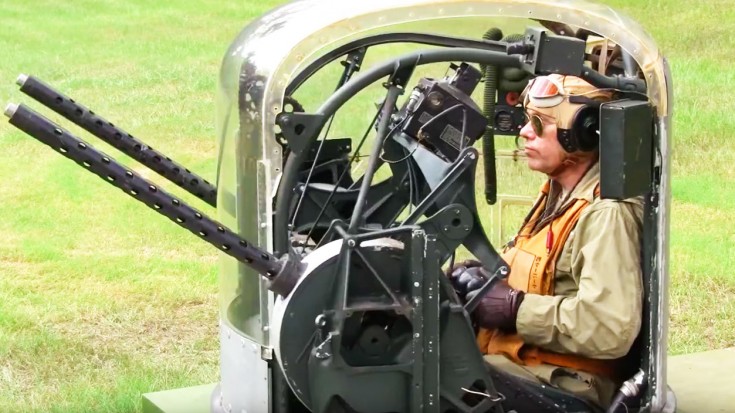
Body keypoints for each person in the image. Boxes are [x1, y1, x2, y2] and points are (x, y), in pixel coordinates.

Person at [448, 74, 644, 409]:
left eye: (538, 123)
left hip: (566, 385)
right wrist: (486, 278)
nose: (524, 132)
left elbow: (610, 327)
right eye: (527, 120)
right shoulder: (560, 193)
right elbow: (548, 276)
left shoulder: (606, 214)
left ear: (581, 133)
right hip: (526, 366)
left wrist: (514, 308)